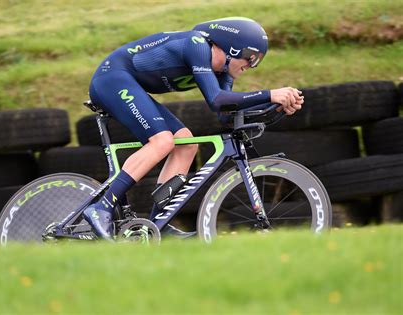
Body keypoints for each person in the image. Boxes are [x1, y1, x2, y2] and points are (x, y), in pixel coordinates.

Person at [84, 17, 304, 241]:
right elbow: (216, 100)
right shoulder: (196, 45)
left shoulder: (223, 73)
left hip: (130, 83)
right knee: (162, 141)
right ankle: (101, 207)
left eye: (256, 62)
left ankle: (161, 223)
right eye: (251, 58)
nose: (251, 66)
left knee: (187, 144)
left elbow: (224, 114)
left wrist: (276, 108)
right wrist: (270, 94)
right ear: (232, 46)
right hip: (112, 78)